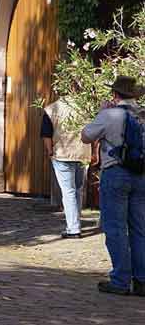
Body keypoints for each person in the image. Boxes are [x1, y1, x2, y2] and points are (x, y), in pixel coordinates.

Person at [81, 75, 145, 296]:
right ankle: (142, 280)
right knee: (139, 228)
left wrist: (102, 112)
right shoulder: (142, 116)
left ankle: (120, 280)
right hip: (141, 175)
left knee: (116, 228)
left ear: (115, 94)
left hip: (116, 173)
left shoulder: (110, 115)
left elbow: (86, 136)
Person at [41, 97, 93, 238]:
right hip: (82, 154)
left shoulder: (51, 109)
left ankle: (73, 228)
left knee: (68, 191)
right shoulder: (86, 106)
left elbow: (46, 134)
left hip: (62, 154)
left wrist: (50, 151)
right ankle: (75, 223)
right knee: (78, 190)